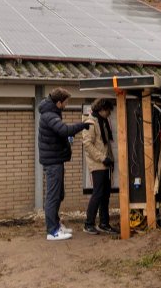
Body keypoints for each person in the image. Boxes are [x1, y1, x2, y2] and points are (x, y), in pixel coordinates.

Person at [38, 87, 89, 241]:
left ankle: (57, 225)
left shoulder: (52, 113)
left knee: (59, 195)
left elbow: (60, 133)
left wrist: (67, 138)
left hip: (56, 161)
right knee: (53, 197)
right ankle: (52, 231)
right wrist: (83, 124)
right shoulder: (49, 115)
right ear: (59, 102)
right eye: (66, 102)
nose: (67, 105)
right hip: (53, 163)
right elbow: (64, 130)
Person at [81, 98, 118, 235]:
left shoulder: (102, 122)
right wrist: (103, 158)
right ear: (102, 109)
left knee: (105, 194)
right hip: (97, 164)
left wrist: (110, 159)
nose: (109, 114)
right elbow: (87, 145)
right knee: (97, 193)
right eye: (108, 111)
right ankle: (88, 223)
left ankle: (104, 223)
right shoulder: (91, 123)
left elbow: (105, 144)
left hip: (105, 164)